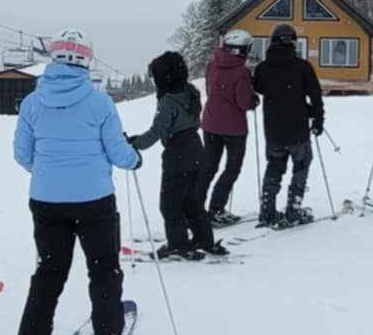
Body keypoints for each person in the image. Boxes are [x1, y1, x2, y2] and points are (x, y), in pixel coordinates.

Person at [13, 28, 141, 335]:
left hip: (46, 202)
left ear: (53, 59)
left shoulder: (32, 103)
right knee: (103, 268)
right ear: (86, 61)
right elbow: (117, 152)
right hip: (94, 200)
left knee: (49, 271)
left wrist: (49, 175)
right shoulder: (99, 102)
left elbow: (23, 155)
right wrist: (134, 159)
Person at [126, 50, 225, 259]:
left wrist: (134, 143)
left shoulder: (168, 101)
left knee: (170, 205)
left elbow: (157, 132)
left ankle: (178, 245)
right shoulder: (192, 92)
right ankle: (204, 240)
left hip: (177, 155)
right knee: (192, 203)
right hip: (197, 151)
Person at [250, 22, 323, 228]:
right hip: (297, 128)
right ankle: (294, 208)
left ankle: (267, 209)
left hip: (273, 128)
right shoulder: (302, 66)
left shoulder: (263, 67)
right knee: (301, 165)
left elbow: (259, 87)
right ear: (293, 42)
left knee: (274, 165)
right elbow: (315, 95)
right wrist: (317, 117)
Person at [201, 29, 258, 225]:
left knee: (208, 168)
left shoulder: (212, 64)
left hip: (210, 123)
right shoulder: (242, 72)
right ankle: (216, 209)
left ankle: (195, 206)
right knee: (232, 168)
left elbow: (209, 89)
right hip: (234, 129)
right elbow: (243, 102)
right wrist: (253, 100)